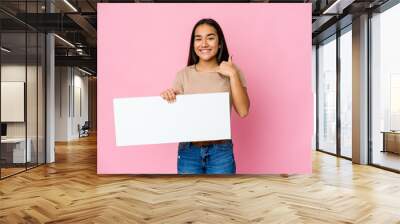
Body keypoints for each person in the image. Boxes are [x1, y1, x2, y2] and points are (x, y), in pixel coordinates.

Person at [160, 18, 250, 174]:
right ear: (193, 44)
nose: (204, 44)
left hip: (221, 152)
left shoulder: (232, 72)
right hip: (189, 152)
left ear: (220, 42)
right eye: (198, 39)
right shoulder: (183, 75)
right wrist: (168, 97)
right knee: (188, 198)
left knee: (221, 197)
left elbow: (243, 111)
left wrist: (233, 74)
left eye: (210, 38)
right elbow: (175, 118)